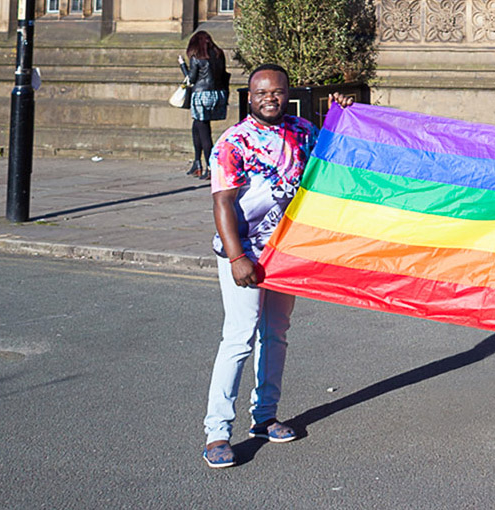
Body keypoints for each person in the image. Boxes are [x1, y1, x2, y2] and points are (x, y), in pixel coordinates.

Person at [201, 63, 354, 468]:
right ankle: (217, 432)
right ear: (249, 97)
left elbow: (336, 157)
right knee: (239, 339)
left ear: (287, 94)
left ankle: (264, 417)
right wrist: (237, 258)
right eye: (262, 92)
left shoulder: (303, 130)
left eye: (278, 92)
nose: (271, 98)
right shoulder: (234, 142)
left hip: (284, 254)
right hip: (244, 254)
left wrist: (343, 112)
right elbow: (223, 204)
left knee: (277, 333)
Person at [179, 31, 230, 180]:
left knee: (204, 131)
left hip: (201, 95)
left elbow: (192, 79)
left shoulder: (197, 57)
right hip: (218, 94)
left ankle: (210, 166)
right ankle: (197, 163)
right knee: (197, 125)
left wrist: (182, 65)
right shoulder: (219, 54)